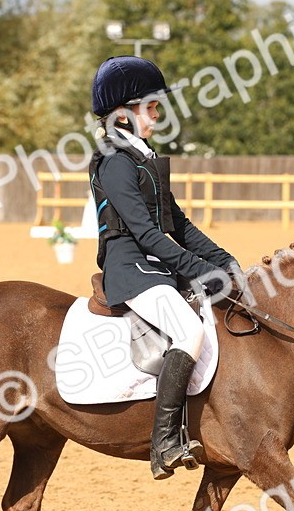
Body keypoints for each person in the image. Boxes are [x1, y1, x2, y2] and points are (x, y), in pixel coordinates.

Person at [88, 55, 241, 481]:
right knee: (189, 331)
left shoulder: (142, 161)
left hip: (156, 267)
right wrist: (200, 271)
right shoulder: (115, 162)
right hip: (130, 268)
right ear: (124, 114)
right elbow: (144, 233)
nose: (157, 115)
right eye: (151, 107)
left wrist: (226, 261)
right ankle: (165, 442)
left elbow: (180, 226)